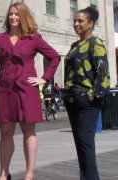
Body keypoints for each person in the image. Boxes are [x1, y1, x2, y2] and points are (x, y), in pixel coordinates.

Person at [0, 2, 60, 180]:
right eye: (11, 14)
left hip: (27, 90)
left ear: (24, 17)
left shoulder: (33, 38)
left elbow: (54, 57)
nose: (13, 17)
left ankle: (29, 174)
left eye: (17, 14)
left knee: (29, 131)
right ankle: (4, 173)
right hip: (5, 91)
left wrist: (44, 78)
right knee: (5, 132)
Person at [64, 6, 110, 180]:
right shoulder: (75, 45)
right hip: (72, 100)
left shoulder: (96, 44)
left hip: (86, 103)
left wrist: (92, 97)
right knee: (81, 144)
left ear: (90, 24)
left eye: (80, 21)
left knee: (86, 144)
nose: (76, 24)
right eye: (74, 20)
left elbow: (103, 75)